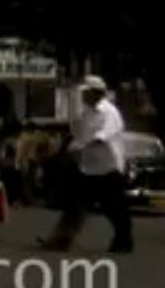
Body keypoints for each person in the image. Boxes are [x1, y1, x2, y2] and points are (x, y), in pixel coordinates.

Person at [39, 75, 133, 254]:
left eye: (85, 92)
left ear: (95, 93)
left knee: (114, 208)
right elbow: (79, 135)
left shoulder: (109, 112)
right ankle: (61, 238)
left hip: (108, 167)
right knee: (74, 204)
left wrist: (82, 145)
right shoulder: (87, 112)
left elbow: (103, 136)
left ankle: (124, 240)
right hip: (88, 167)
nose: (82, 96)